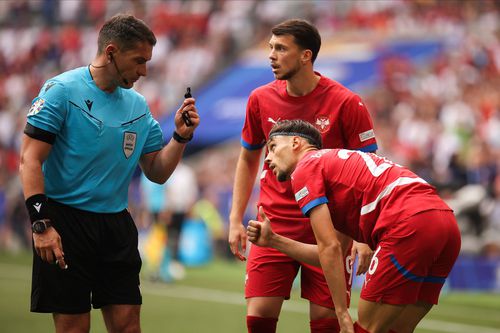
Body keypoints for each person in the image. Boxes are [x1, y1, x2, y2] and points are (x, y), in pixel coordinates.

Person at [19, 14, 199, 333]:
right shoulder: (61, 90)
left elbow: (156, 171)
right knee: (74, 328)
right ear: (112, 51)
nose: (144, 71)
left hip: (116, 225)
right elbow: (29, 160)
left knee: (128, 326)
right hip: (65, 223)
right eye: (139, 60)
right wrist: (41, 224)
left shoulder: (138, 106)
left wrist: (180, 137)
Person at [228, 19, 377, 333]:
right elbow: (247, 157)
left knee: (326, 323)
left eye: (281, 49)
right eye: (271, 47)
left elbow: (368, 171)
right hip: (272, 223)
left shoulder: (347, 103)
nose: (271, 55)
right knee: (258, 320)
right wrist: (234, 219)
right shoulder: (259, 98)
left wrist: (363, 236)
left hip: (330, 231)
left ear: (306, 56)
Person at [247, 119, 461, 333]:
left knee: (364, 329)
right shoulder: (334, 168)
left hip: (408, 222)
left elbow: (329, 248)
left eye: (273, 147)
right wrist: (273, 240)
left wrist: (341, 313)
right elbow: (333, 253)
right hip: (445, 223)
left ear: (296, 143)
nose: (268, 157)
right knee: (396, 329)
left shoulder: (306, 167)